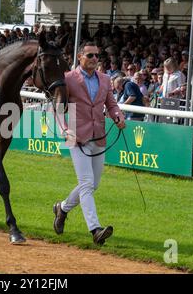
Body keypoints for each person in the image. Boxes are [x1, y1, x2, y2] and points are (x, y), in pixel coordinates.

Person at [53, 42, 126, 246]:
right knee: (86, 183)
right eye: (90, 55)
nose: (94, 59)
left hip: (99, 136)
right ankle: (95, 229)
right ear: (80, 57)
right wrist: (64, 128)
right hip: (75, 136)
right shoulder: (67, 79)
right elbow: (57, 108)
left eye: (97, 56)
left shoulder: (105, 79)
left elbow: (111, 104)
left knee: (93, 184)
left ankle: (62, 208)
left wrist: (118, 116)